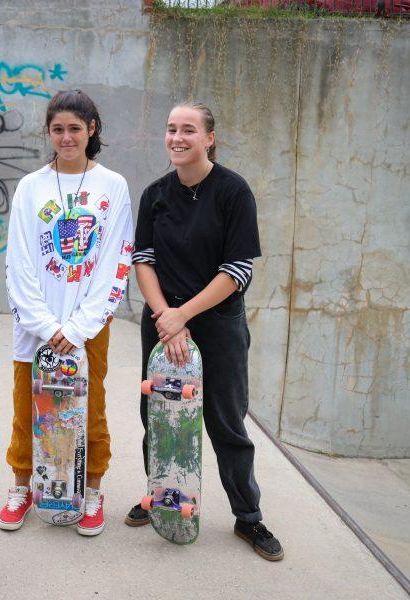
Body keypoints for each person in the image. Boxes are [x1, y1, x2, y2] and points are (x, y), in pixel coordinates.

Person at [126, 101, 283, 561]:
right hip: (163, 324)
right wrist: (165, 319)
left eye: (188, 130)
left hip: (215, 326)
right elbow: (143, 261)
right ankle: (162, 496)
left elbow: (237, 269)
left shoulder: (233, 192)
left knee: (225, 422)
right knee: (157, 419)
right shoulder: (156, 193)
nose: (177, 138)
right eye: (171, 129)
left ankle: (248, 517)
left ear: (209, 138)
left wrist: (183, 316)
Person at [0, 90, 134, 536]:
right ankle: (23, 488)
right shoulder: (31, 187)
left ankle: (91, 492)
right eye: (58, 129)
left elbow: (117, 258)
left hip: (88, 327)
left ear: (91, 129)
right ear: (49, 132)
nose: (66, 136)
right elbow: (17, 260)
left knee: (89, 411)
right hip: (35, 328)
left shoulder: (112, 186)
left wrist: (77, 328)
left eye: (75, 128)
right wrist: (45, 325)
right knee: (27, 409)